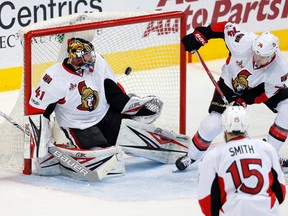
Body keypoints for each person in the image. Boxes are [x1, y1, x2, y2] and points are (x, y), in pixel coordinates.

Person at [29, 37, 189, 181]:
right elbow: (36, 111)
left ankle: (172, 145)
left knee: (137, 136)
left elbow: (114, 92)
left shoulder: (98, 61)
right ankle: (67, 156)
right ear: (75, 58)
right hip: (79, 126)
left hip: (107, 115)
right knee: (109, 160)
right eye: (86, 56)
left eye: (91, 53)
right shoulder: (54, 78)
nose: (91, 57)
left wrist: (135, 109)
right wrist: (41, 144)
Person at [175, 21, 288, 171]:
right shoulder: (244, 42)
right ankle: (191, 156)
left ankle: (268, 156)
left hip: (259, 88)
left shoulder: (280, 69)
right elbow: (223, 27)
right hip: (229, 84)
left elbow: (265, 93)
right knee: (212, 125)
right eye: (255, 53)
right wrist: (200, 35)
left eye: (262, 57)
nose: (256, 58)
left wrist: (243, 101)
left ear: (272, 55)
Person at [197, 106, 286, 216]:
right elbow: (281, 193)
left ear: (224, 126)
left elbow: (207, 203)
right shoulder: (267, 149)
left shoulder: (213, 157)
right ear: (246, 123)